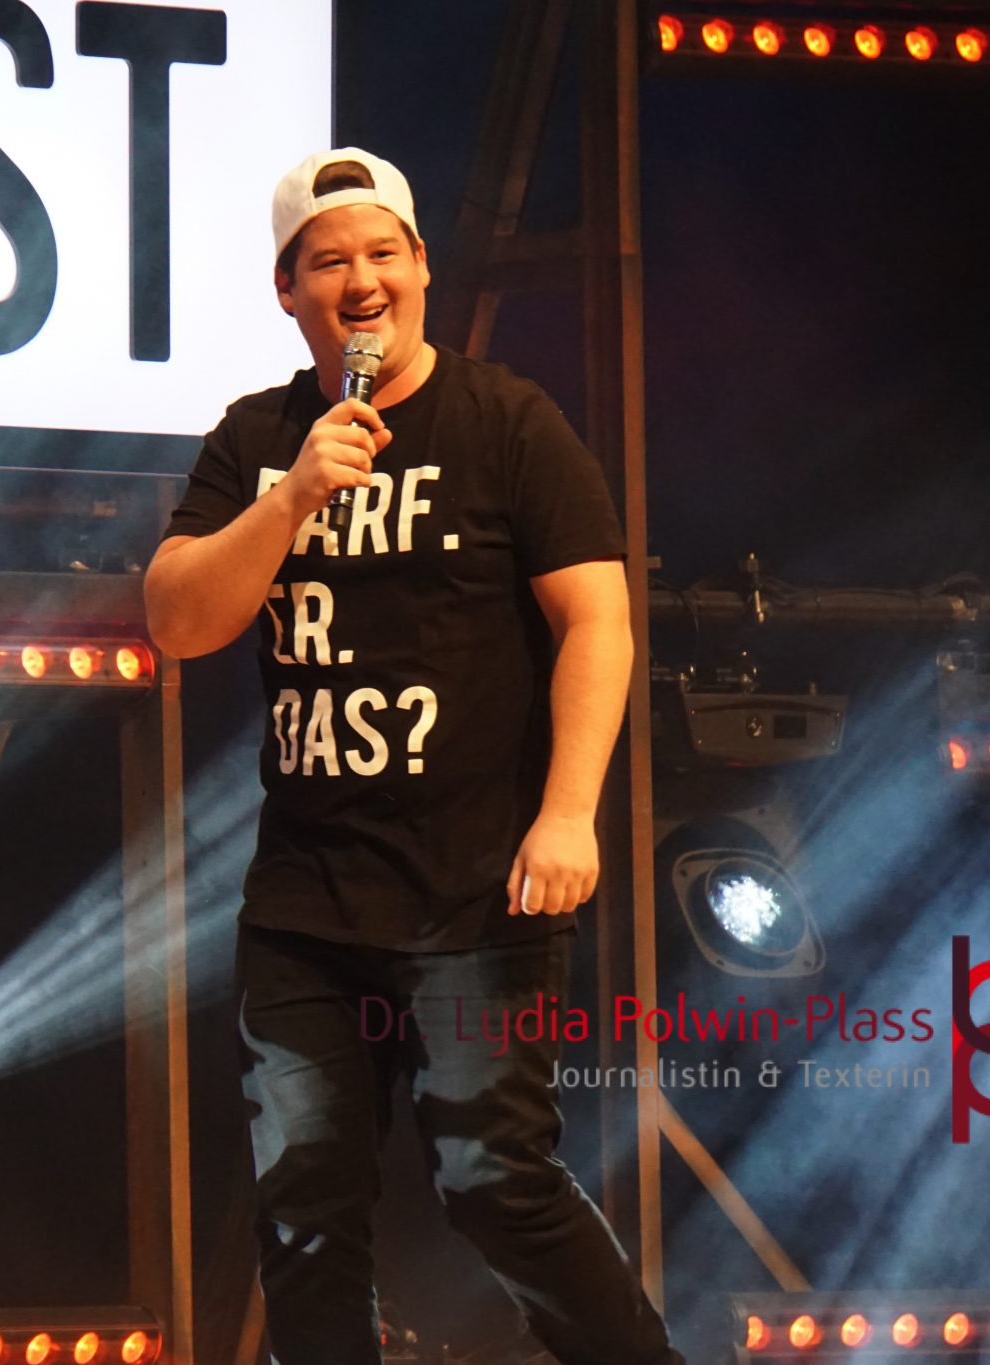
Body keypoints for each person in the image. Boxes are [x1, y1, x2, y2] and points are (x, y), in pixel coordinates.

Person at [144, 148, 682, 1365]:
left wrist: (567, 813)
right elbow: (177, 619)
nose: (361, 281)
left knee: (495, 1184)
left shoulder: (505, 422)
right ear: (286, 290)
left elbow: (595, 620)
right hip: (305, 904)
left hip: (475, 889)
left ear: (422, 267)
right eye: (328, 261)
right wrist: (290, 498)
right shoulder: (258, 439)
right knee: (303, 1209)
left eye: (382, 251)